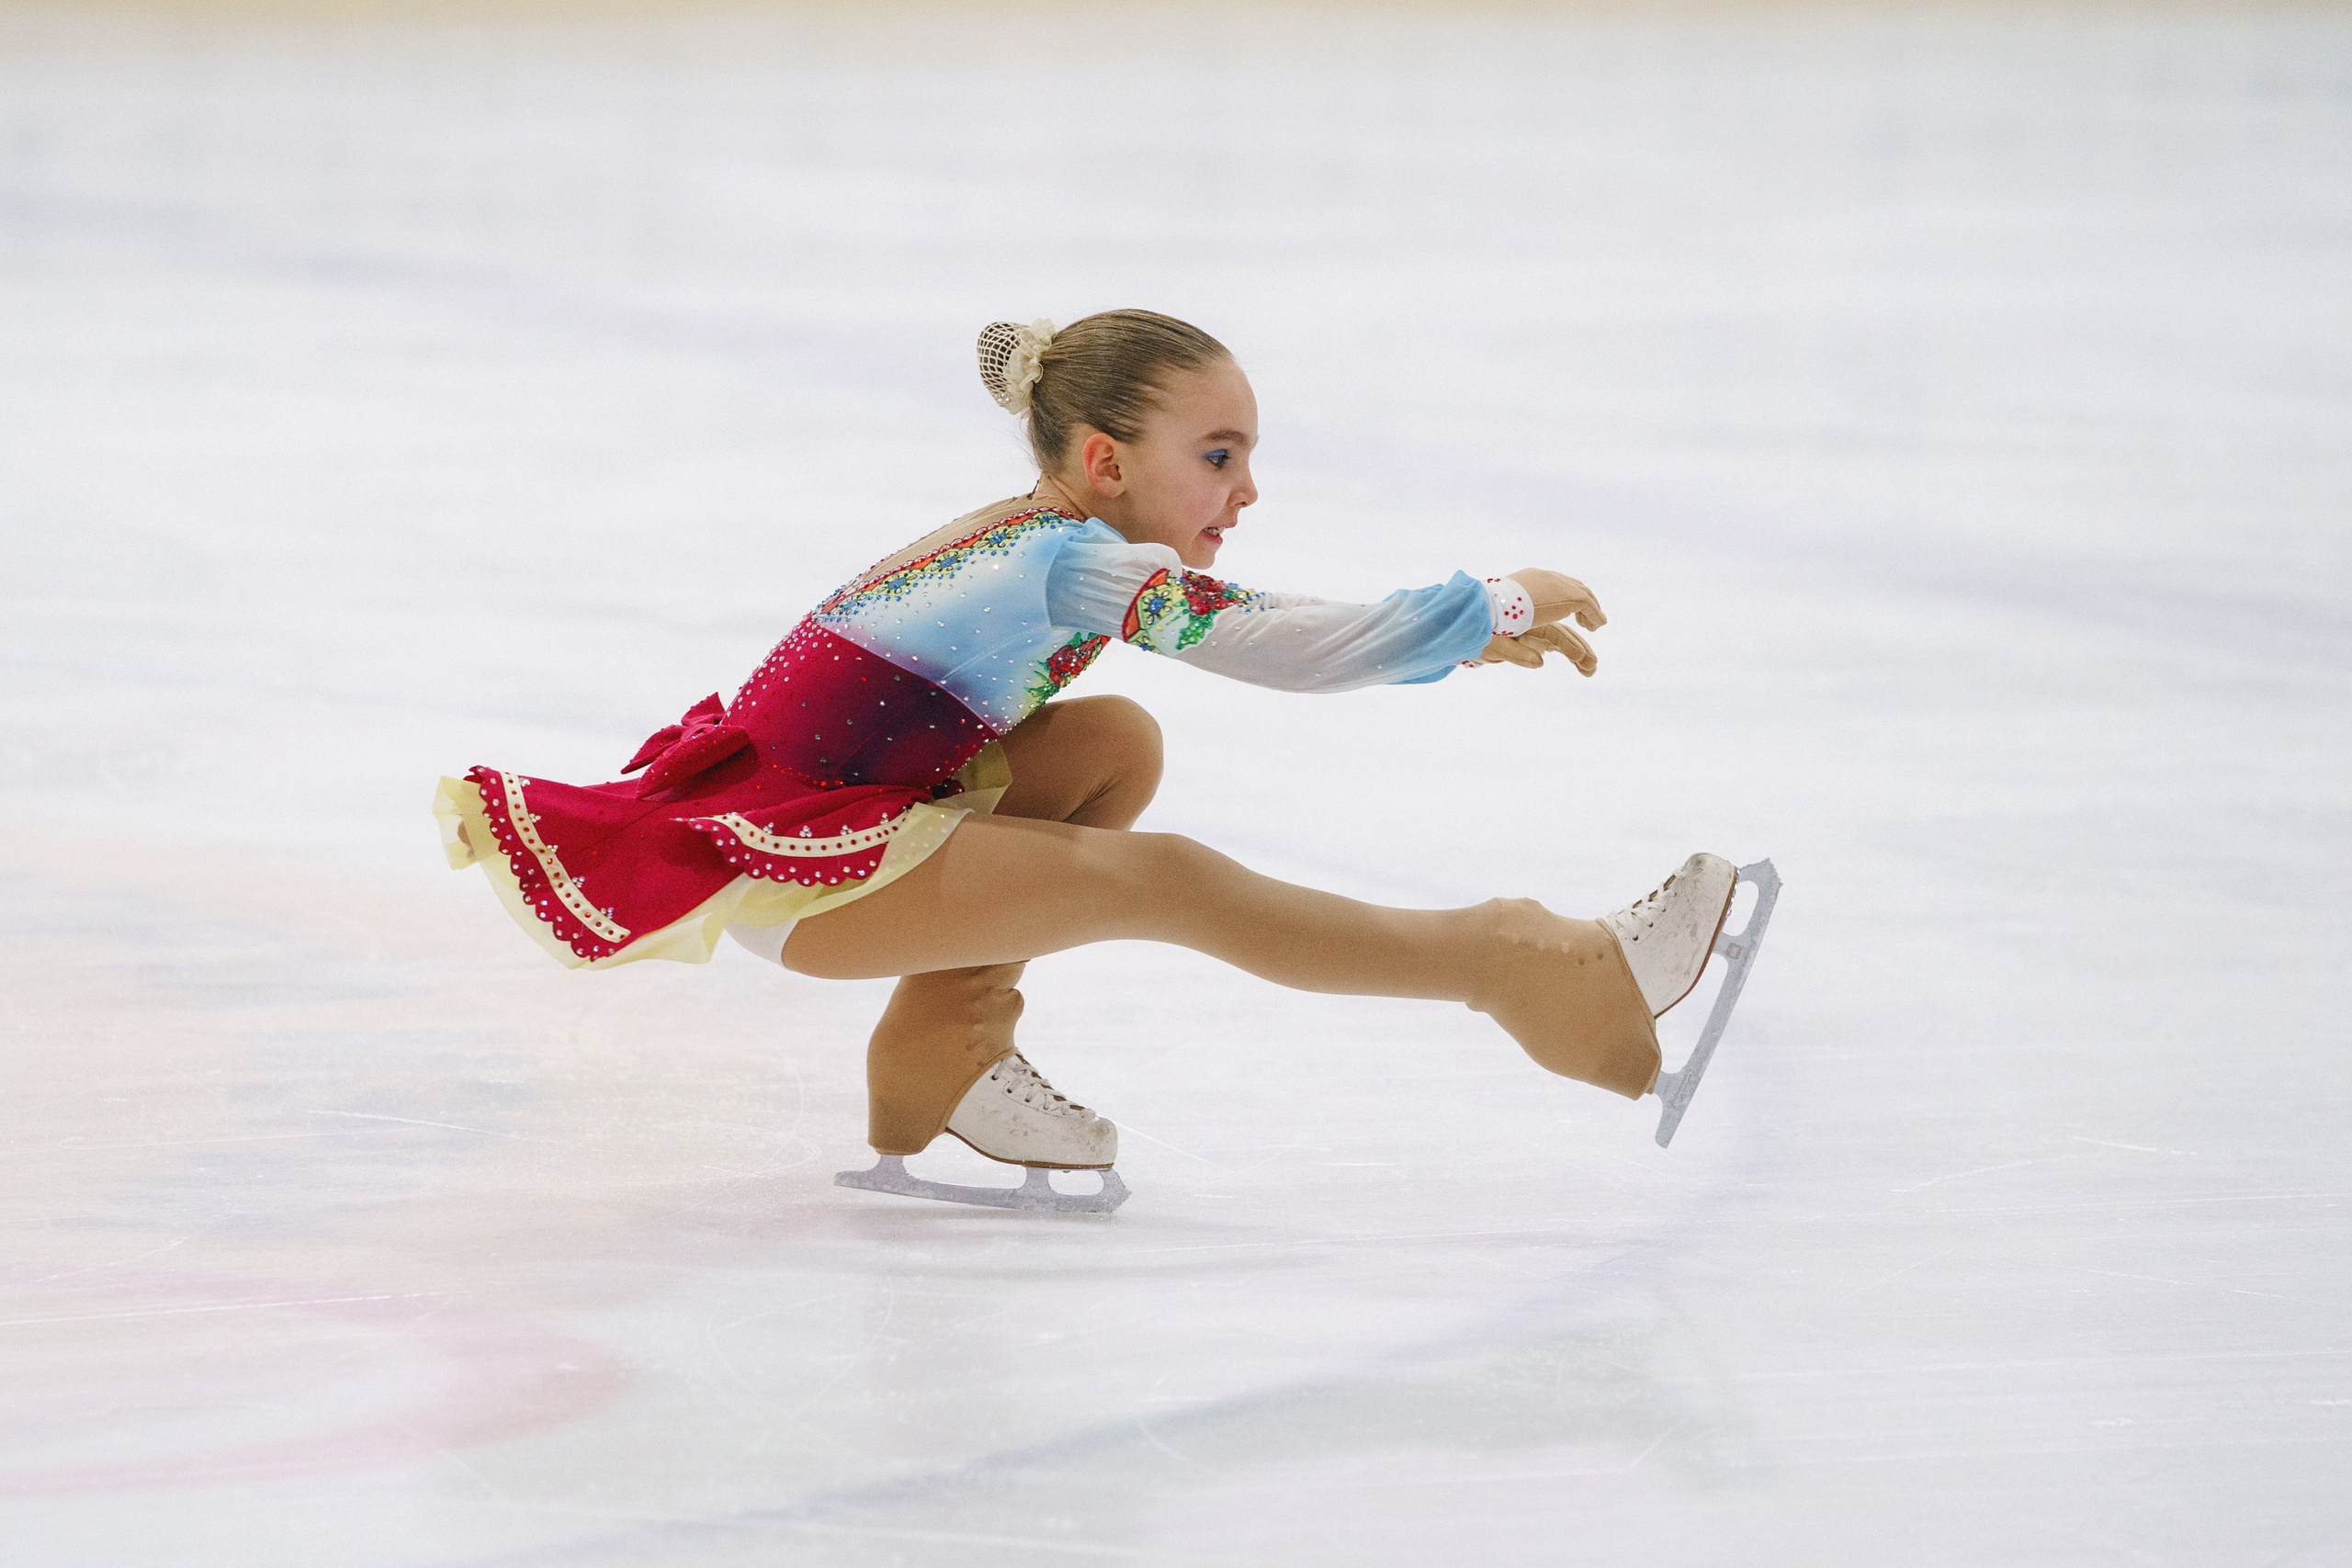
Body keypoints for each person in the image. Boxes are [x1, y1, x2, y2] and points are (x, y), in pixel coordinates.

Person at [435, 310, 1759, 1210]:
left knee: (1112, 743)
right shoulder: (1072, 563)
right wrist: (1487, 606)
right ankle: (1529, 968)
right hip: (804, 872)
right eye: (1219, 457)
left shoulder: (1044, 534)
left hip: (835, 825)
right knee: (1166, 879)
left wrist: (1460, 637)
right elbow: (1276, 644)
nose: (1246, 491)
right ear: (1106, 460)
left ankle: (945, 1051)